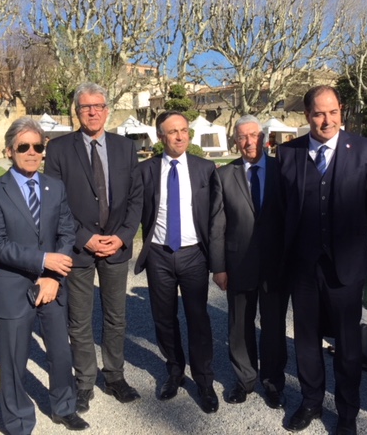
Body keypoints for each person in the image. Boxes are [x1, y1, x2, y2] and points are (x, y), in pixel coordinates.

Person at [277, 86, 367, 434]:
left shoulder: (365, 151)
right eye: (319, 113)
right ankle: (311, 401)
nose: (327, 120)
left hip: (346, 266)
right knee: (306, 340)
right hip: (303, 267)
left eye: (333, 112)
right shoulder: (288, 153)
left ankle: (348, 411)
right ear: (307, 115)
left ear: (342, 111)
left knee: (347, 344)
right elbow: (282, 209)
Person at [0, 118, 88, 434]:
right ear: (10, 150)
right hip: (13, 286)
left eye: (37, 146)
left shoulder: (55, 187)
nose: (31, 152)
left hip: (52, 284)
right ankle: (18, 421)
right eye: (23, 146)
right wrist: (42, 260)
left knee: (60, 351)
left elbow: (66, 231)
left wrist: (52, 275)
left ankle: (64, 407)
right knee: (13, 360)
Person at [44, 82, 143, 412]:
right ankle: (84, 381)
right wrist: (84, 236)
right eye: (86, 107)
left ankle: (114, 376)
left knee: (116, 318)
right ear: (77, 111)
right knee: (79, 320)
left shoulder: (125, 148)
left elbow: (135, 198)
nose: (92, 112)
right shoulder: (59, 150)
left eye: (98, 106)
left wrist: (124, 235)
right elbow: (55, 202)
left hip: (116, 246)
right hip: (79, 248)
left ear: (107, 109)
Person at [134, 110, 225, 414]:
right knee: (164, 318)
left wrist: (218, 259)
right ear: (161, 137)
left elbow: (216, 217)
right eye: (172, 132)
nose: (180, 136)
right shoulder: (145, 170)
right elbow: (135, 209)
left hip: (193, 254)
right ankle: (175, 371)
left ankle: (204, 379)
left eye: (184, 130)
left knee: (198, 318)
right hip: (159, 253)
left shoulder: (205, 169)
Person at [213, 115, 288, 409]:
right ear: (236, 141)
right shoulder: (224, 175)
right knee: (239, 325)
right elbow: (216, 224)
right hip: (237, 263)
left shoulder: (283, 172)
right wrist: (218, 266)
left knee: (273, 327)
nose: (249, 142)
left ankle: (272, 382)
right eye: (242, 137)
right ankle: (244, 380)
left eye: (254, 136)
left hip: (275, 265)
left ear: (264, 138)